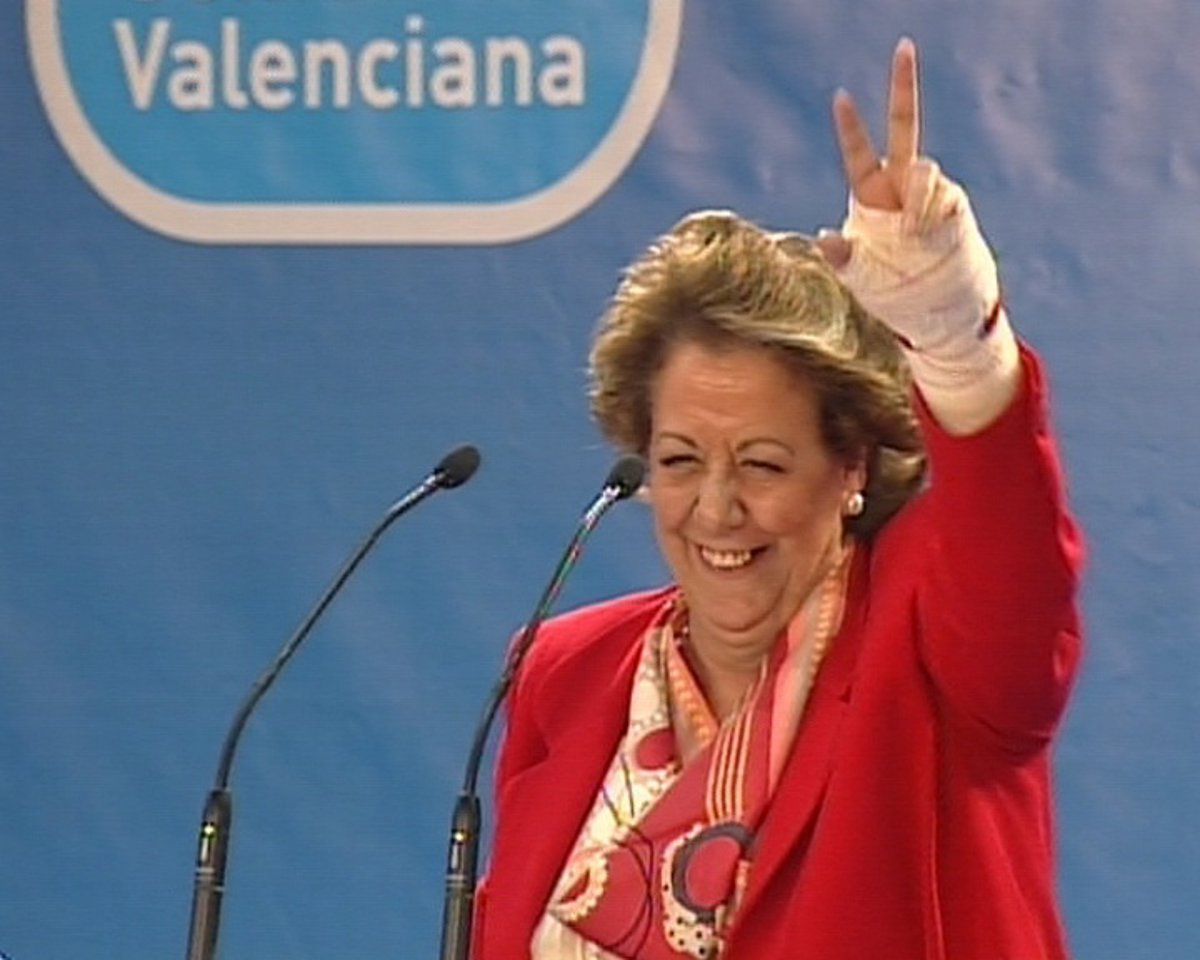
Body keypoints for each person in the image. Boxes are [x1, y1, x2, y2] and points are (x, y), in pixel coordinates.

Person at [473, 37, 1084, 960]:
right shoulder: (568, 671)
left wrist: (959, 342)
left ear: (852, 468)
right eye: (680, 461)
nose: (716, 507)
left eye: (761, 465)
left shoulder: (928, 645)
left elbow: (1012, 557)